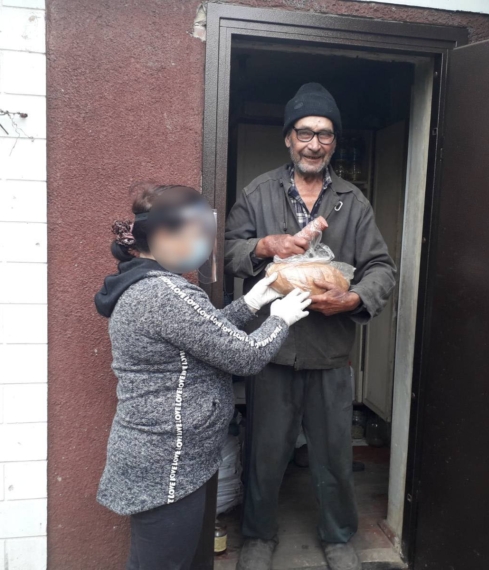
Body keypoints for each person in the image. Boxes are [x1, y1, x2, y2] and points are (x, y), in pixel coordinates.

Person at [94, 183, 312, 570]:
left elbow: (204, 336)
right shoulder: (166, 294)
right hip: (167, 461)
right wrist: (280, 320)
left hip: (161, 455)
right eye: (196, 236)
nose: (203, 247)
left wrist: (251, 302)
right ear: (162, 235)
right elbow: (244, 356)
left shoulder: (148, 287)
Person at [225, 83, 397, 570]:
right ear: (288, 138)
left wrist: (355, 297)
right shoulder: (259, 193)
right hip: (271, 351)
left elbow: (381, 267)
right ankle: (258, 535)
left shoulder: (351, 201)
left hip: (328, 351)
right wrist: (264, 246)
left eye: (324, 134)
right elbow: (230, 251)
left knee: (333, 455)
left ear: (334, 142)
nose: (314, 144)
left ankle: (339, 538)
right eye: (305, 132)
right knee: (265, 451)